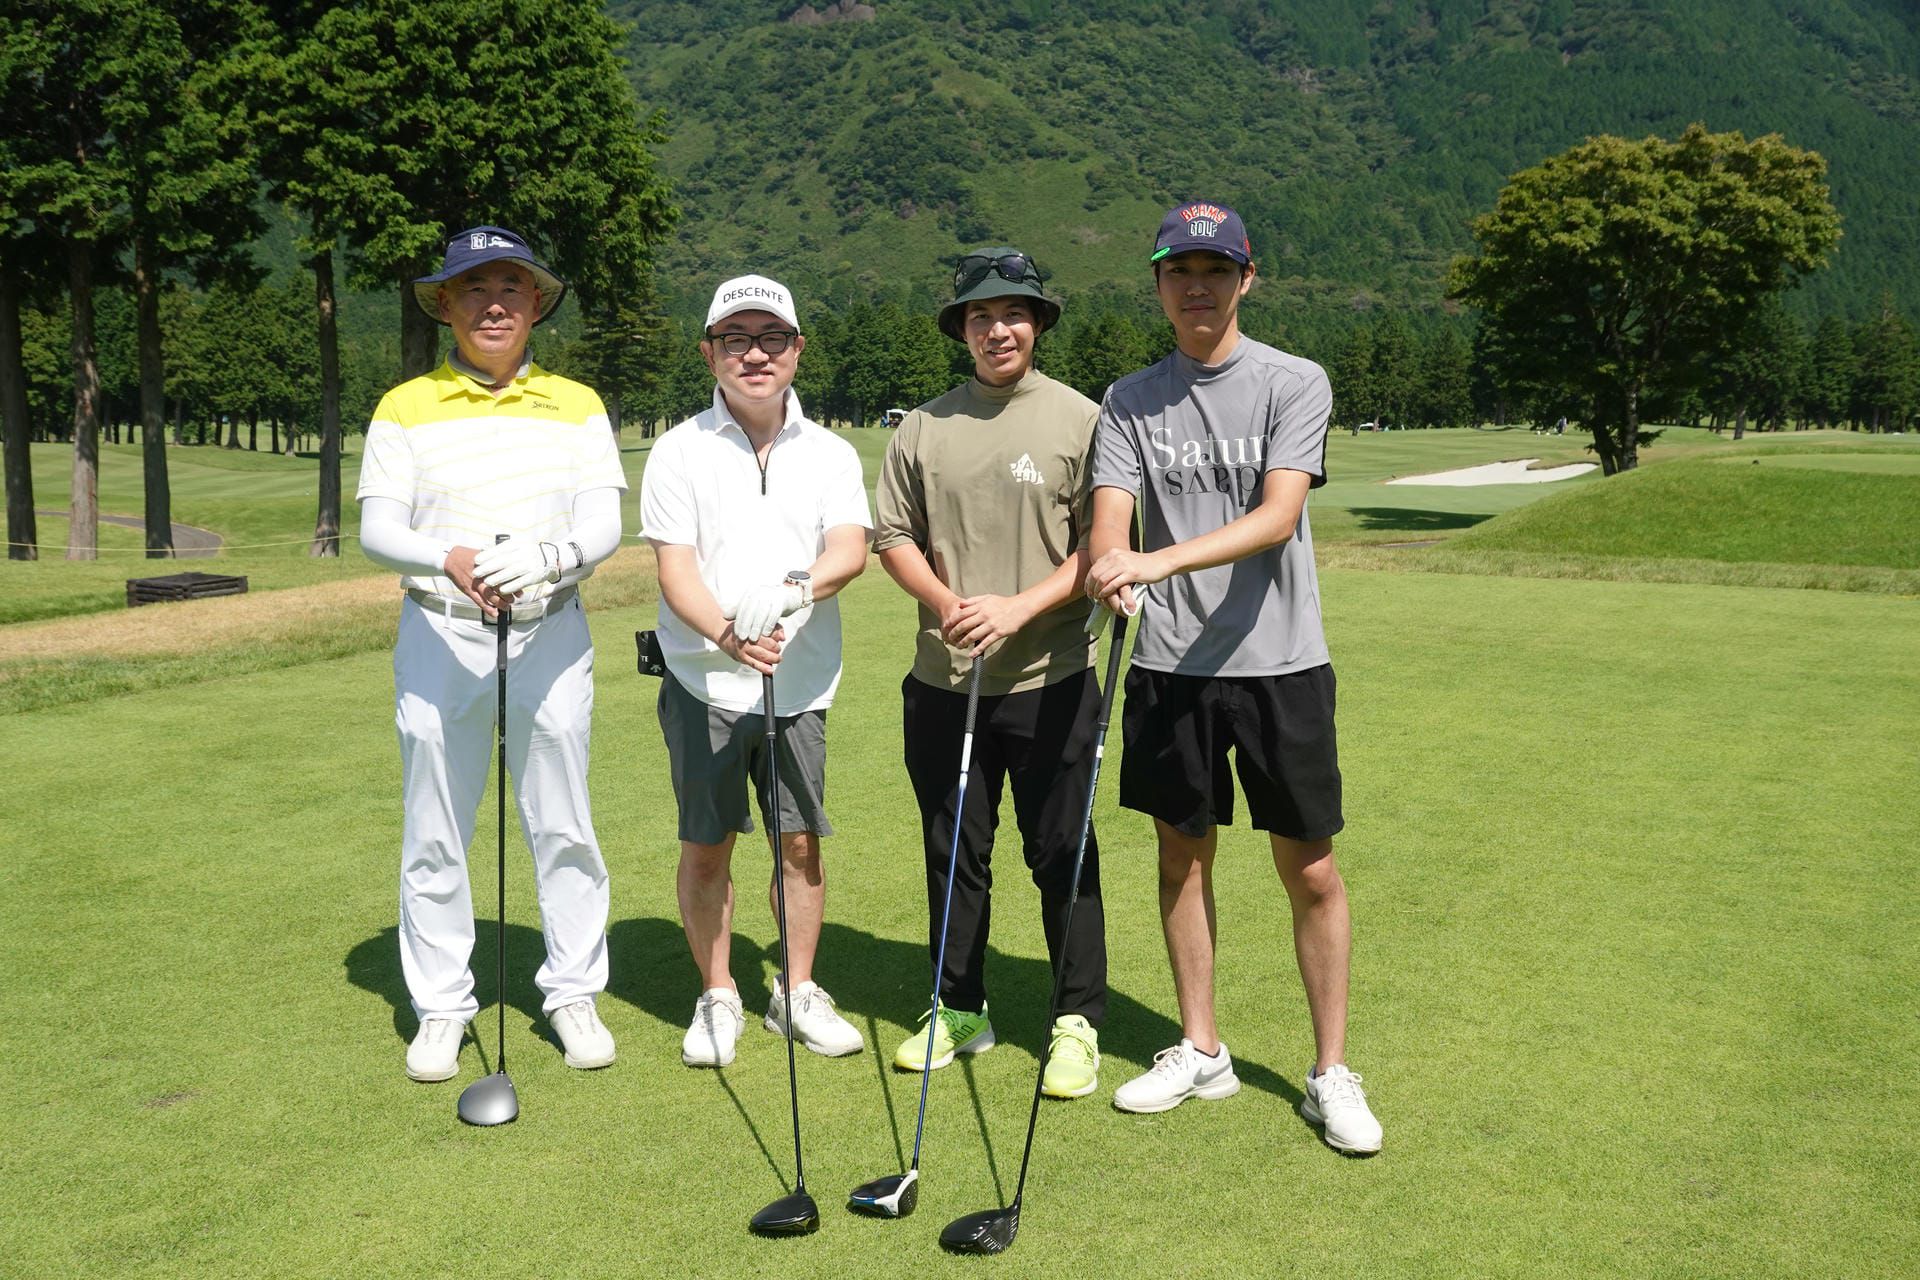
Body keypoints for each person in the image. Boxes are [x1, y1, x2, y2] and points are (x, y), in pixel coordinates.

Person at [1084, 202, 1383, 1152]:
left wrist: (1154, 561)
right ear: (1158, 284)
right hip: (1169, 667)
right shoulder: (1129, 399)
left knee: (1312, 868)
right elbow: (1110, 516)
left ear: (1246, 278)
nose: (1198, 287)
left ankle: (1330, 1072)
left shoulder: (1294, 381)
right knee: (1181, 854)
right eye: (1180, 271)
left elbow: (1276, 516)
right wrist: (1110, 565)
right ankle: (1201, 1048)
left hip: (1280, 663)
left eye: (1216, 269)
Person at [356, 225, 623, 1083]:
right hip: (440, 632)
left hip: (552, 628)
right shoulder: (405, 405)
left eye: (512, 287)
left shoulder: (577, 403)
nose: (495, 304)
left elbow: (604, 523)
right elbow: (378, 529)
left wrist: (549, 556)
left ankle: (573, 992)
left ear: (537, 303)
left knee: (565, 822)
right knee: (435, 826)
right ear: (445, 305)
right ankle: (442, 1006)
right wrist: (451, 558)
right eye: (474, 288)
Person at [871, 247, 1110, 1099]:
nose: (997, 329)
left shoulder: (1083, 420)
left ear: (1037, 323)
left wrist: (1016, 608)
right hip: (944, 684)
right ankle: (960, 1008)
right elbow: (893, 535)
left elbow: (1101, 547)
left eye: (1013, 313)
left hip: (1053, 677)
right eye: (981, 316)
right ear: (962, 329)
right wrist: (946, 602)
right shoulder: (923, 427)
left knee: (1061, 854)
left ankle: (1076, 1019)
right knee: (954, 854)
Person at [640, 274, 871, 1068]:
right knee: (707, 846)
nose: (755, 354)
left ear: (797, 349)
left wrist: (796, 589)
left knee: (798, 844)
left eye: (771, 338)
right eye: (735, 339)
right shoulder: (678, 450)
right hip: (703, 680)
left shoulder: (831, 453)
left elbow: (849, 550)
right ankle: (718, 994)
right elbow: (676, 570)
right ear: (710, 353)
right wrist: (729, 635)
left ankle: (796, 991)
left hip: (800, 683)